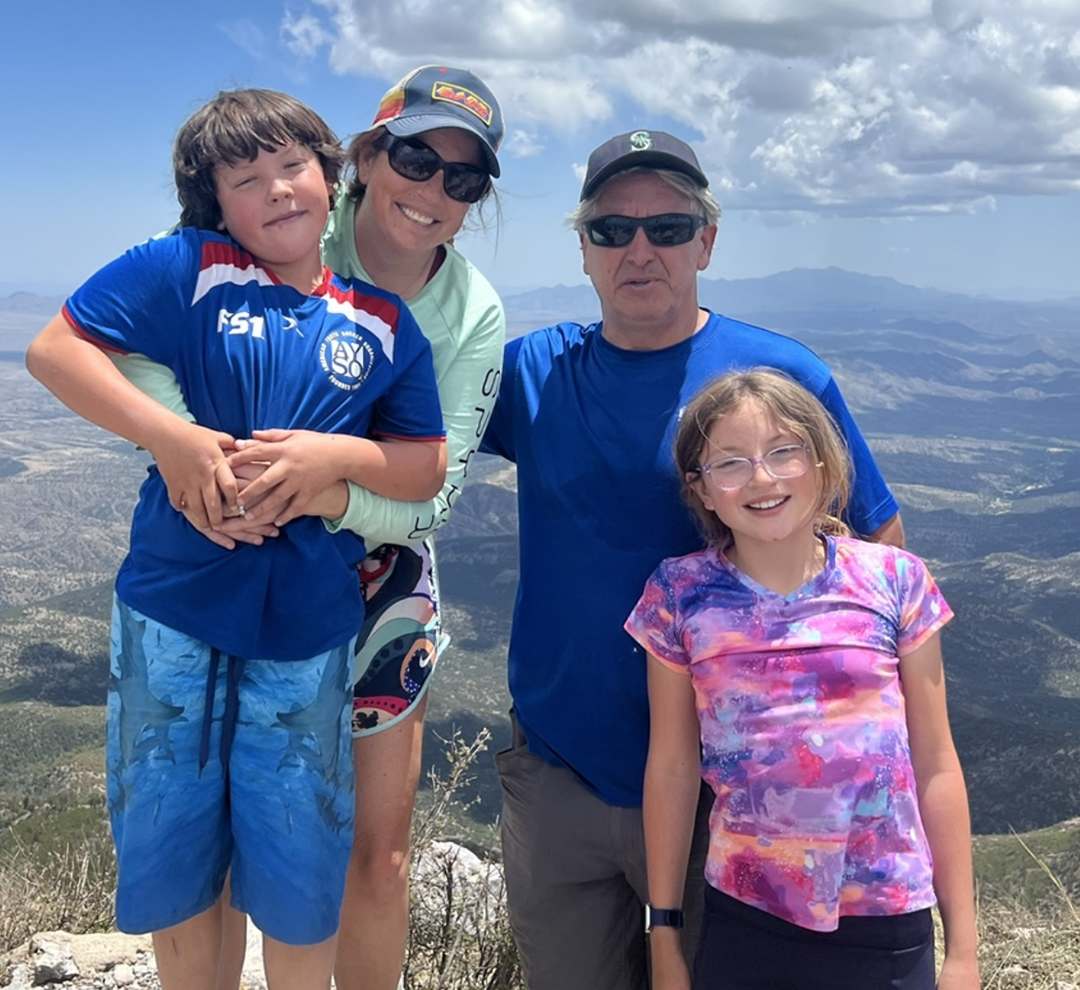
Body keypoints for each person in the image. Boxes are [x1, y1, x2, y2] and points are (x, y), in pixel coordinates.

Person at [25, 89, 449, 990]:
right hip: (172, 608)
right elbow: (55, 350)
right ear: (215, 201)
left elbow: (421, 467)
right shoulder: (186, 268)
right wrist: (170, 439)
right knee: (176, 852)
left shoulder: (381, 322)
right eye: (246, 178)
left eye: (293, 166)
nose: (277, 191)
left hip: (306, 621)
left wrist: (337, 455)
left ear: (330, 177)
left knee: (299, 858)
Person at [107, 65, 506, 990]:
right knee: (222, 832)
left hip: (377, 569)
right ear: (363, 158)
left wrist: (323, 486)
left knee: (372, 853)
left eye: (465, 178)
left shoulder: (469, 312)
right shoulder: (282, 209)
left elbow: (435, 490)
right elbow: (152, 341)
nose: (433, 189)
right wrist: (191, 451)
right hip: (228, 544)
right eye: (415, 156)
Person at [480, 130, 906, 990]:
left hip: (734, 792)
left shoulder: (780, 374)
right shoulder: (529, 373)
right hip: (559, 774)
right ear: (584, 248)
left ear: (706, 241)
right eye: (612, 230)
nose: (640, 250)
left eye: (668, 228)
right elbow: (404, 427)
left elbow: (877, 554)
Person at [627, 368, 979, 990]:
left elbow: (936, 763)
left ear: (821, 464)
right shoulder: (678, 595)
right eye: (729, 463)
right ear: (701, 490)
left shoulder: (896, 581)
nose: (761, 478)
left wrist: (963, 953)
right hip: (748, 921)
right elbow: (673, 769)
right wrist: (665, 935)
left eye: (783, 452)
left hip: (890, 916)